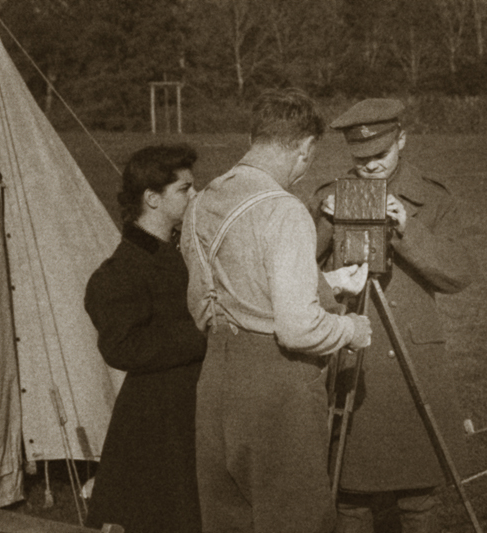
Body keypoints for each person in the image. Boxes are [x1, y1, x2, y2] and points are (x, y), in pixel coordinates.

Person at [180, 87, 372, 533]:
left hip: (214, 383)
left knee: (228, 520)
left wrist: (321, 284)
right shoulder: (283, 210)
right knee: (296, 519)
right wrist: (351, 328)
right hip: (276, 388)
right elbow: (298, 329)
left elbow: (203, 305)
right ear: (304, 148)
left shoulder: (201, 202)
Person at [307, 98, 478, 533]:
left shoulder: (432, 198)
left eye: (379, 155)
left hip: (410, 357)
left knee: (418, 491)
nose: (369, 167)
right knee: (349, 489)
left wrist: (407, 230)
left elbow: (458, 274)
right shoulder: (328, 196)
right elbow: (299, 271)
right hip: (349, 349)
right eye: (359, 158)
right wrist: (326, 223)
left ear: (402, 140)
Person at [83, 144, 206, 533]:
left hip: (187, 410)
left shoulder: (179, 251)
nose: (195, 196)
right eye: (185, 189)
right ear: (152, 199)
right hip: (153, 423)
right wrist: (198, 333)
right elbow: (121, 347)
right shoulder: (120, 271)